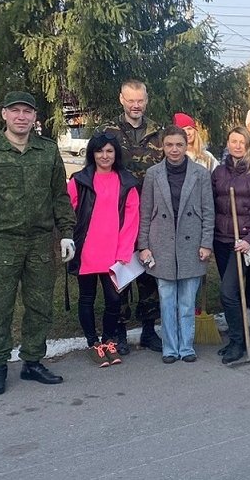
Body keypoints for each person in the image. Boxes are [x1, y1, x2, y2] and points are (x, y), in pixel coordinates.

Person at [0, 91, 76, 395]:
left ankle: (32, 362)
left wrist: (66, 232)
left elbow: (59, 196)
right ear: (4, 114)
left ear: (35, 117)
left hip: (40, 242)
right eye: (15, 111)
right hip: (1, 242)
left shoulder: (48, 151)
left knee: (39, 306)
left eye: (27, 111)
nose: (21, 117)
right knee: (0, 308)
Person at [95, 79, 164, 354]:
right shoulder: (107, 132)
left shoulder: (158, 132)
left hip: (151, 212)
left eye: (140, 100)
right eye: (131, 100)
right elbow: (96, 164)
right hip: (117, 213)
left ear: (146, 100)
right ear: (121, 99)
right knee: (120, 272)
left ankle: (149, 329)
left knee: (149, 271)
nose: (136, 106)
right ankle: (119, 331)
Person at [138, 126, 215, 364]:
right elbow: (145, 211)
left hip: (191, 244)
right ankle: (170, 347)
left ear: (186, 146)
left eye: (179, 145)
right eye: (169, 145)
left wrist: (206, 243)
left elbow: (208, 211)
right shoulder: (153, 174)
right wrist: (143, 245)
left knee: (186, 301)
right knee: (167, 298)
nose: (174, 150)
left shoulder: (200, 174)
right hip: (161, 244)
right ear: (163, 146)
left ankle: (187, 346)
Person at [67, 132, 140, 368]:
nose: (104, 156)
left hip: (114, 253)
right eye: (99, 151)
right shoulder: (79, 180)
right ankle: (93, 343)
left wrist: (124, 252)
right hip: (86, 250)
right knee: (86, 298)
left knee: (113, 300)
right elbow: (68, 214)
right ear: (92, 154)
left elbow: (131, 219)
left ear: (116, 153)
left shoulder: (127, 182)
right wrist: (69, 243)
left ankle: (108, 340)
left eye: (109, 151)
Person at [210, 127, 250, 364]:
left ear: (248, 146)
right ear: (228, 143)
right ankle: (236, 338)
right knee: (231, 294)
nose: (237, 146)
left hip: (244, 242)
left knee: (228, 291)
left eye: (242, 142)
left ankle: (238, 342)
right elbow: (212, 206)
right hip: (222, 240)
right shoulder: (218, 173)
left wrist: (249, 240)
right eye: (233, 141)